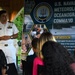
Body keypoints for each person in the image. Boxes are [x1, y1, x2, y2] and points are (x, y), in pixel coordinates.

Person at [0, 9, 19, 75]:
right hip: (1, 47)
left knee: (12, 64)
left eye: (6, 16)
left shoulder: (11, 24)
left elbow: (17, 35)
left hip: (10, 47)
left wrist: (10, 37)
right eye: (3, 16)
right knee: (1, 64)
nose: (5, 17)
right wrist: (1, 38)